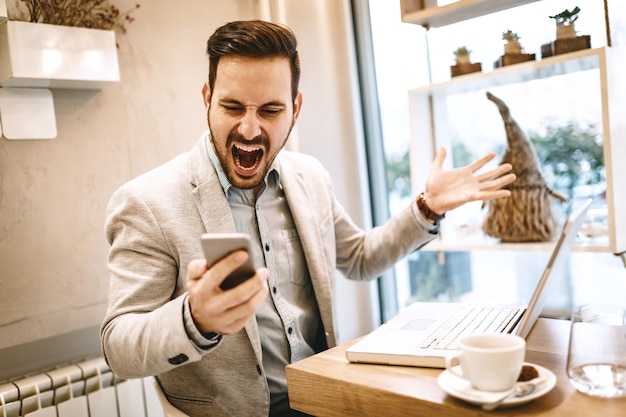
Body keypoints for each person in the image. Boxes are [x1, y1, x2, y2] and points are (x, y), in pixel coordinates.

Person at [100, 20, 515, 417]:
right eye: (231, 106)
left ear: (295, 108)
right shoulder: (146, 202)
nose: (248, 128)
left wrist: (427, 207)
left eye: (270, 110)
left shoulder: (311, 176)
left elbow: (360, 257)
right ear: (207, 98)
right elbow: (119, 346)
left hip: (323, 399)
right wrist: (196, 318)